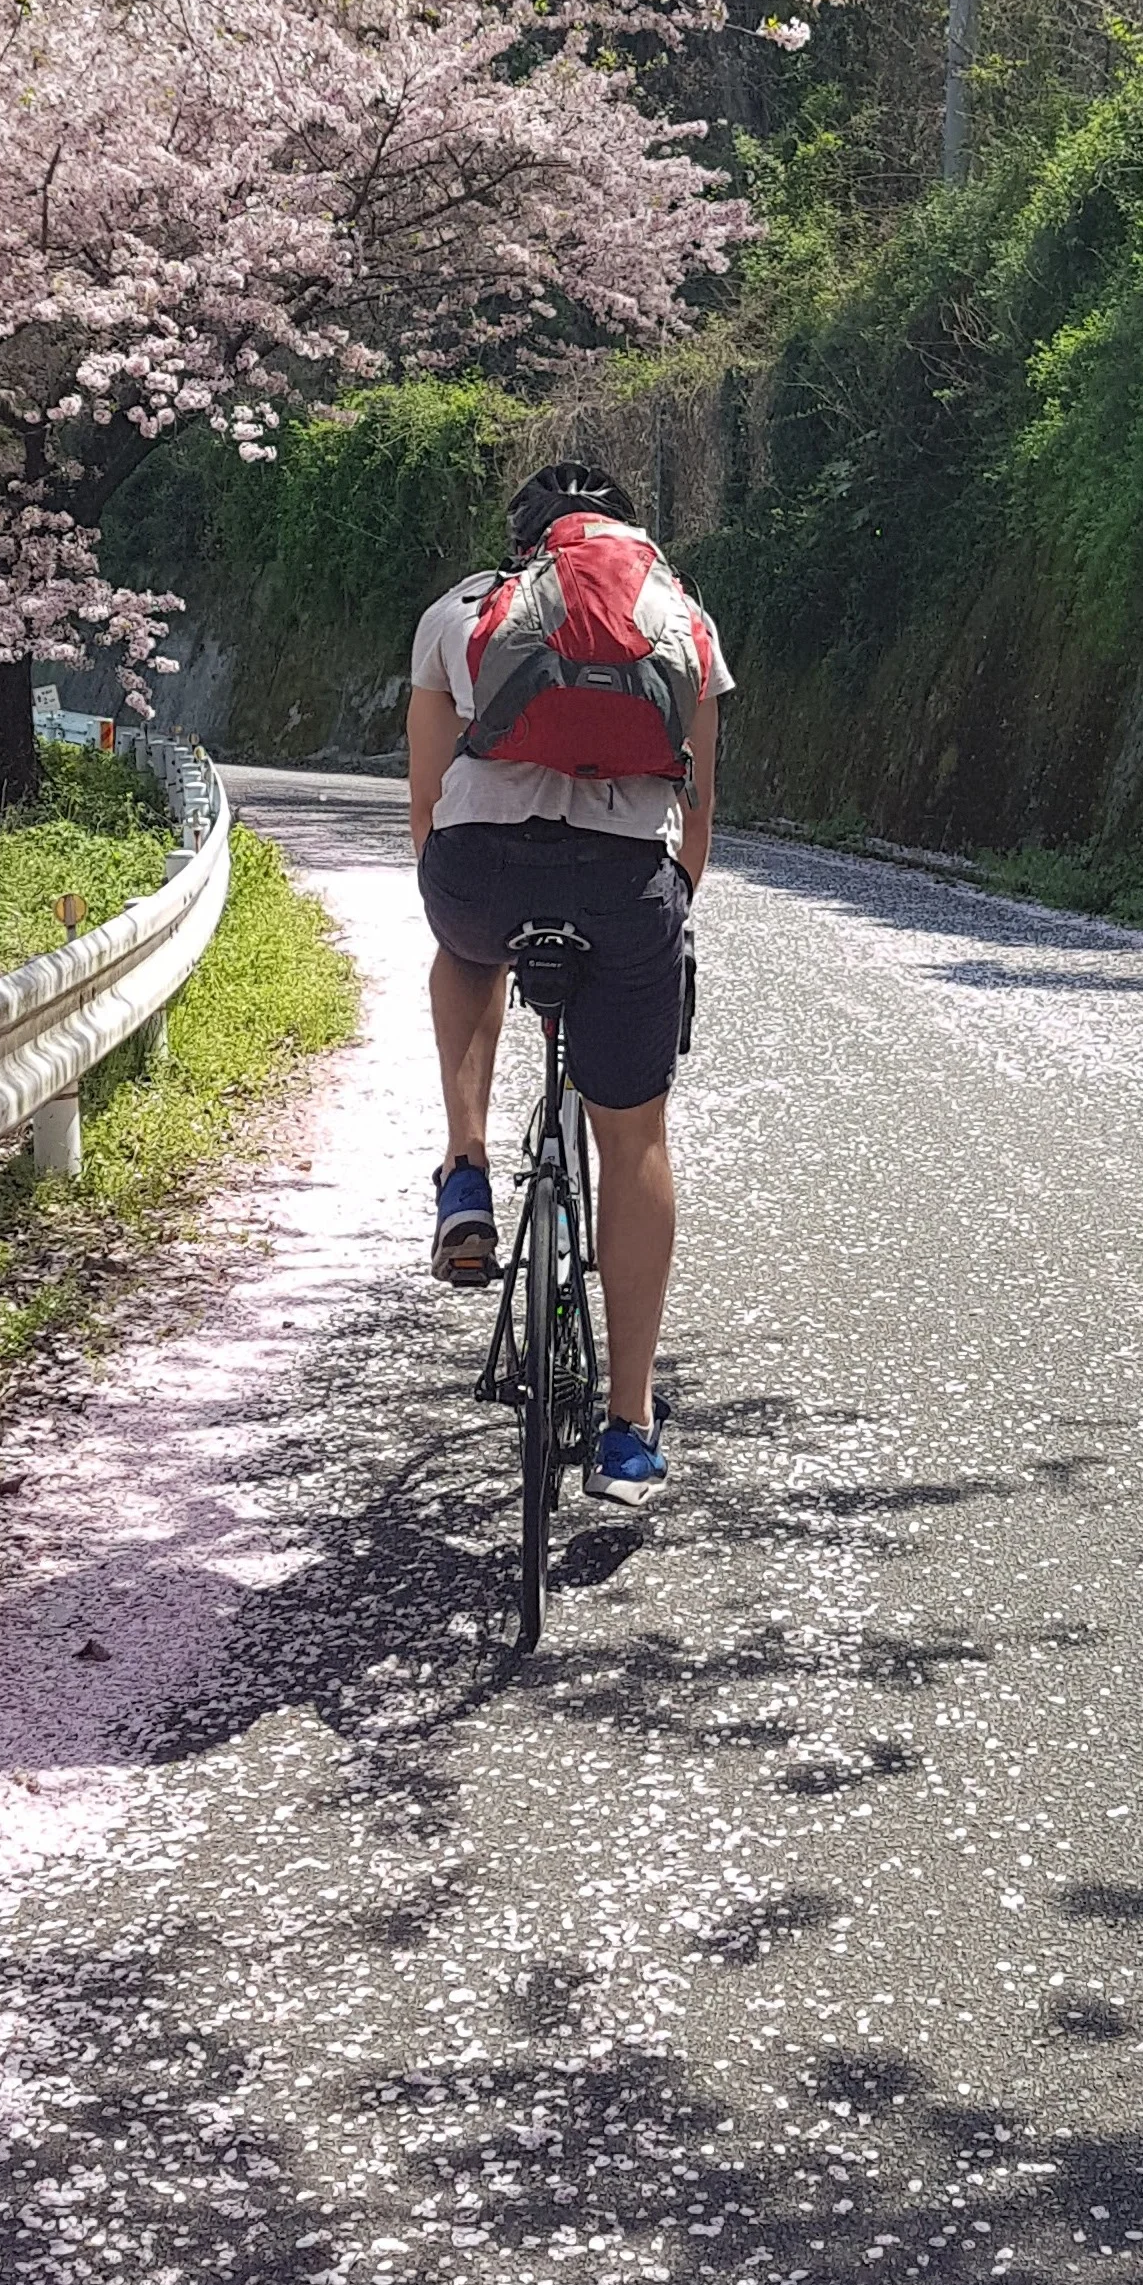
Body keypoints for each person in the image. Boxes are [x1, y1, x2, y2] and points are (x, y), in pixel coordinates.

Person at [405, 461, 731, 1509]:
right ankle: (629, 1428)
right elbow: (698, 813)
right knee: (632, 1134)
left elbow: (425, 805)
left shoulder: (458, 609)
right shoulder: (686, 617)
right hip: (624, 885)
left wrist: (460, 895)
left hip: (480, 871)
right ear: (625, 542)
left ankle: (464, 1168)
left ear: (528, 542)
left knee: (464, 953)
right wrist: (656, 915)